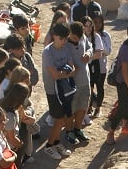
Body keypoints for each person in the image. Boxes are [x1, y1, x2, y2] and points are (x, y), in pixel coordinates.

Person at [41, 22, 79, 160]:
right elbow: (55, 75)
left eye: (65, 39)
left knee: (63, 117)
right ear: (54, 36)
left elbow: (73, 69)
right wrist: (65, 71)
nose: (63, 42)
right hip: (53, 90)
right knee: (59, 119)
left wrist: (63, 72)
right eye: (61, 39)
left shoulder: (66, 48)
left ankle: (56, 142)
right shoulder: (47, 52)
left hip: (66, 89)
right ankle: (49, 145)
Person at [66, 20, 92, 144]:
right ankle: (69, 131)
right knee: (72, 108)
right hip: (72, 83)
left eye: (78, 37)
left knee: (83, 105)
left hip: (85, 79)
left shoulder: (83, 37)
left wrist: (88, 53)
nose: (76, 40)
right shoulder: (65, 44)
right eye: (74, 37)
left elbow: (90, 47)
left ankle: (78, 129)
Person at [87, 14, 111, 119]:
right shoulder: (88, 35)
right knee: (90, 87)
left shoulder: (105, 35)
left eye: (99, 22)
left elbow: (107, 51)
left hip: (101, 67)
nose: (97, 24)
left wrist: (99, 40)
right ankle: (89, 106)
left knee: (100, 87)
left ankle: (98, 108)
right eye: (94, 22)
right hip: (90, 67)